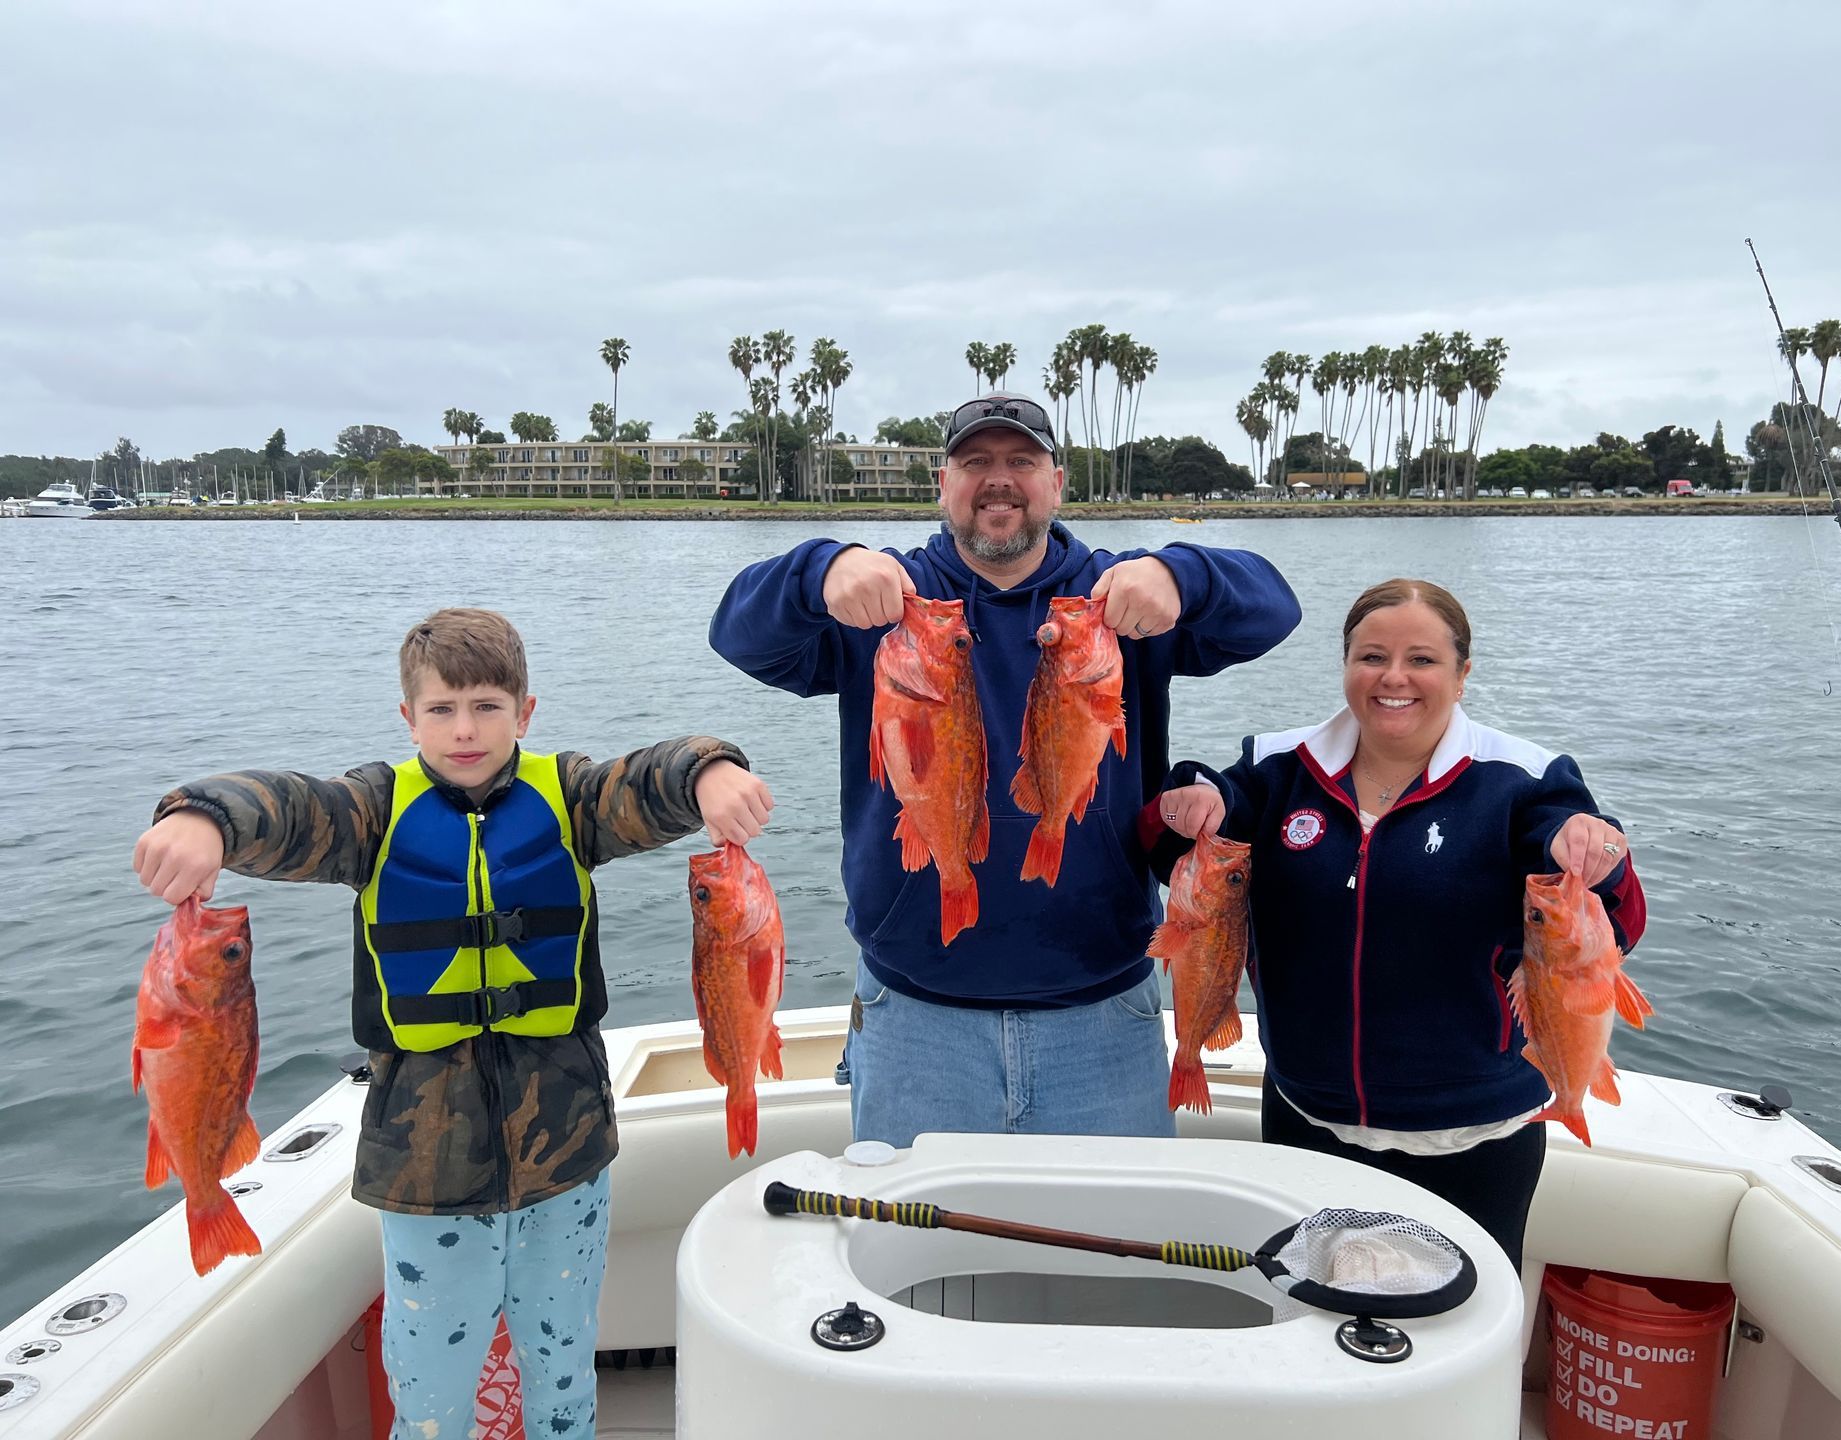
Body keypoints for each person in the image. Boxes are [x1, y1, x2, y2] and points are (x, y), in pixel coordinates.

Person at [131, 607, 772, 1440]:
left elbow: (646, 783)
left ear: (526, 713)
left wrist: (708, 770)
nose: (465, 730)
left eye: (487, 708)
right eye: (441, 711)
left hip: (567, 1148)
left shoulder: (572, 799)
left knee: (563, 1369)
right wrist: (203, 815)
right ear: (409, 718)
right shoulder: (369, 813)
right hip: (422, 1164)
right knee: (431, 1385)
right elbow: (287, 809)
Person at [708, 392, 1300, 1147]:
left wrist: (1180, 575)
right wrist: (822, 570)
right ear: (943, 485)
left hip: (1103, 1020)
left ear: (1057, 482)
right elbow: (736, 632)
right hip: (914, 1019)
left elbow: (1274, 609)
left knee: (1103, 1256)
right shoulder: (887, 607)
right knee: (918, 1264)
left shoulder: (1116, 602)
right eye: (975, 462)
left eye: (1021, 461)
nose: (999, 479)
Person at [1150, 578, 1645, 1271]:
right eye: (1372, 656)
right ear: (1346, 665)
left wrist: (1600, 848)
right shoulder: (1277, 766)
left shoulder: (1525, 779)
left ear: (1463, 675)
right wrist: (1191, 793)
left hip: (1477, 1134)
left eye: (1423, 659)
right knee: (1310, 1319)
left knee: (1458, 1331)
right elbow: (1200, 823)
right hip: (1308, 1117)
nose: (1394, 678)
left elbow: (1613, 914)